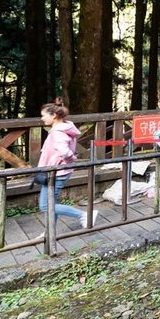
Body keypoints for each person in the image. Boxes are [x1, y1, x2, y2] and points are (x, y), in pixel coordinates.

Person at [38, 99, 97, 235]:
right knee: (52, 203)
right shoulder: (65, 127)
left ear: (53, 115)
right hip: (59, 171)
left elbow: (64, 151)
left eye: (44, 115)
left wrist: (71, 158)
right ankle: (49, 232)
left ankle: (84, 215)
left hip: (57, 172)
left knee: (46, 205)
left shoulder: (57, 131)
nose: (42, 119)